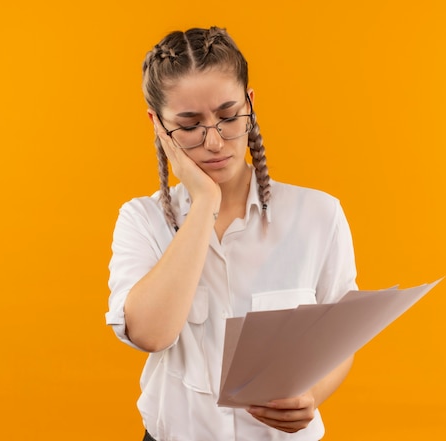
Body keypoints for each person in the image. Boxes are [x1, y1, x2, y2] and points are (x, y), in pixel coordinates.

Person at [105, 26, 358, 441]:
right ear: (157, 125)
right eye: (189, 125)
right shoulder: (142, 221)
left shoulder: (318, 216)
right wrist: (204, 202)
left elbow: (340, 338)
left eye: (228, 116)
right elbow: (152, 333)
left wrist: (312, 395)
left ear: (250, 105)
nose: (215, 141)